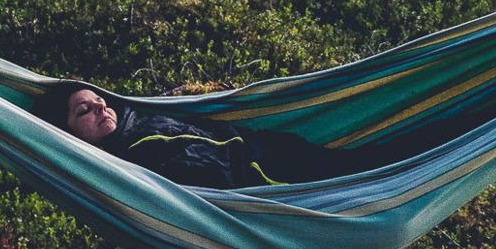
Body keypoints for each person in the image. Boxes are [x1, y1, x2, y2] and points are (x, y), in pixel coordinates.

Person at [34, 80, 382, 189]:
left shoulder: (137, 115)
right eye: (84, 111)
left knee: (367, 164)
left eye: (99, 101)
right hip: (259, 177)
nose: (99, 108)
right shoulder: (118, 161)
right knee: (356, 184)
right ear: (69, 131)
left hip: (263, 146)